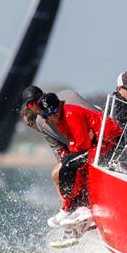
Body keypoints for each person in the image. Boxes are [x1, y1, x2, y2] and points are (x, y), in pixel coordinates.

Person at [38, 92, 122, 224]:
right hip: (97, 143)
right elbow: (75, 142)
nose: (52, 116)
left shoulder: (70, 114)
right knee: (67, 165)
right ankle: (70, 207)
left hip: (110, 142)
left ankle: (78, 207)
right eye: (47, 115)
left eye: (53, 111)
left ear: (59, 105)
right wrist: (72, 150)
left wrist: (73, 151)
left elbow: (83, 145)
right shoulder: (59, 120)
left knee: (70, 165)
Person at [20, 85, 99, 227]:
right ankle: (72, 211)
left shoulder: (68, 98)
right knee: (58, 174)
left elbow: (97, 118)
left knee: (67, 169)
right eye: (31, 105)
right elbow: (59, 151)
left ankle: (82, 209)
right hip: (80, 151)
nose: (36, 106)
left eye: (37, 101)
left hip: (98, 142)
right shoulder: (41, 122)